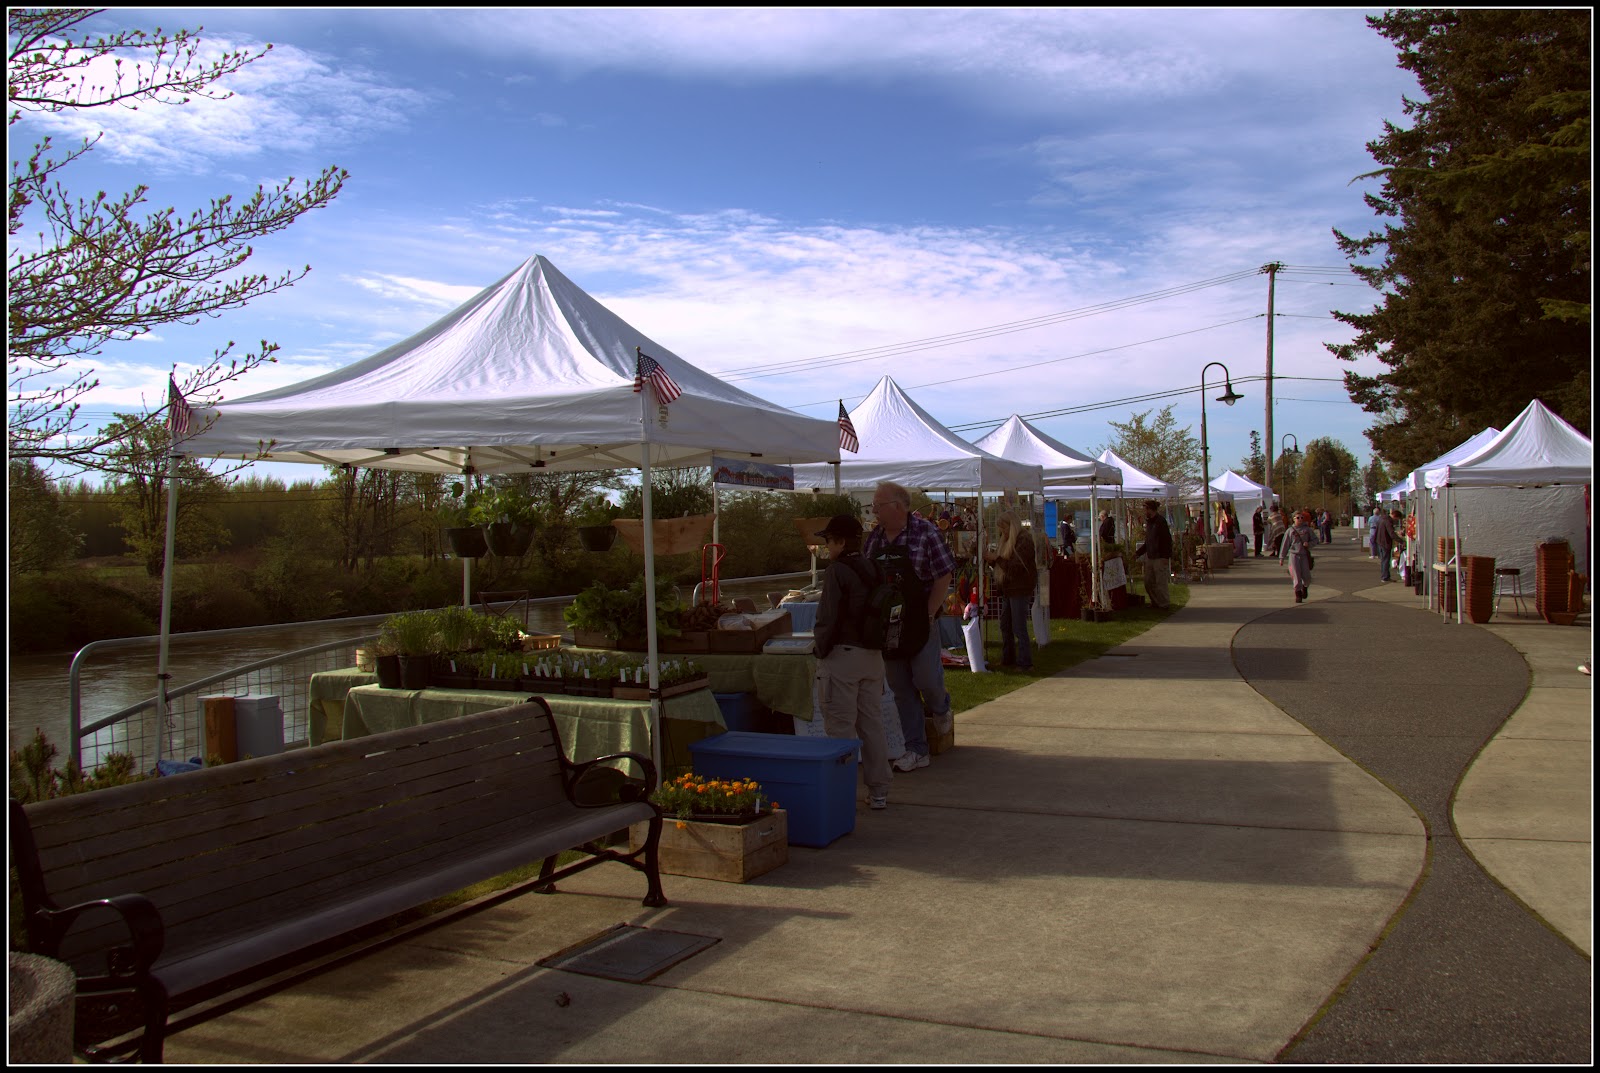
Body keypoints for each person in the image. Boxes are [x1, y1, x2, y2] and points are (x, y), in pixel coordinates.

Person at [864, 481, 955, 772]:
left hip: (920, 620)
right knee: (900, 688)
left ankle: (941, 707)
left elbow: (944, 576)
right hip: (888, 625)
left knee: (927, 679)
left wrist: (929, 612)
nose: (874, 509)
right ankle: (916, 749)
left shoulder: (926, 532)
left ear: (898, 507)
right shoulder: (875, 538)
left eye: (879, 504)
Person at [811, 515, 892, 810]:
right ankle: (879, 791)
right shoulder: (874, 567)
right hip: (872, 656)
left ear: (841, 542)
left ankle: (842, 794)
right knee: (872, 724)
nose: (826, 547)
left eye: (828, 541)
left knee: (840, 728)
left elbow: (827, 617)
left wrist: (819, 649)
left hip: (843, 657)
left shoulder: (838, 570)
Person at [983, 510, 1036, 670]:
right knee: (1005, 625)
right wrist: (993, 561)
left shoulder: (1024, 540)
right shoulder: (1007, 540)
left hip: (1019, 589)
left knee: (1019, 627)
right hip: (1008, 589)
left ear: (1011, 526)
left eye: (1004, 527)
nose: (1002, 532)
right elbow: (1006, 567)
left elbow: (1015, 568)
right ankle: (1008, 658)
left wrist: (996, 559)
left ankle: (1025, 662)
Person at [1134, 499, 1173, 610]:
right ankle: (1155, 602)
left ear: (1150, 509)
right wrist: (1138, 553)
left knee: (1160, 582)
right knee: (1148, 582)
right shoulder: (1150, 523)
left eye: (1145, 508)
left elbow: (1167, 540)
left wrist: (1166, 556)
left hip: (1160, 557)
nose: (1143, 511)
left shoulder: (1160, 522)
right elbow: (1148, 542)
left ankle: (1164, 604)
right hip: (1150, 557)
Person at [1281, 508, 1318, 603]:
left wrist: (1309, 544)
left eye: (1302, 517)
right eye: (1298, 517)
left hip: (1304, 555)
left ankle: (1305, 588)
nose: (1300, 519)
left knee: (1307, 577)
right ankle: (1298, 594)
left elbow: (1315, 540)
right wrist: (1282, 557)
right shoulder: (1290, 531)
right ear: (1293, 519)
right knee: (1296, 576)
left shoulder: (1307, 530)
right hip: (1294, 555)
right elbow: (1285, 544)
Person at [1372, 504, 1398, 581]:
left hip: (1380, 541)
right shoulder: (1387, 521)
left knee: (1384, 560)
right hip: (1385, 542)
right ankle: (1385, 576)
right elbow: (1391, 533)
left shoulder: (1381, 519)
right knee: (1386, 560)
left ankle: (1385, 576)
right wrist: (1400, 540)